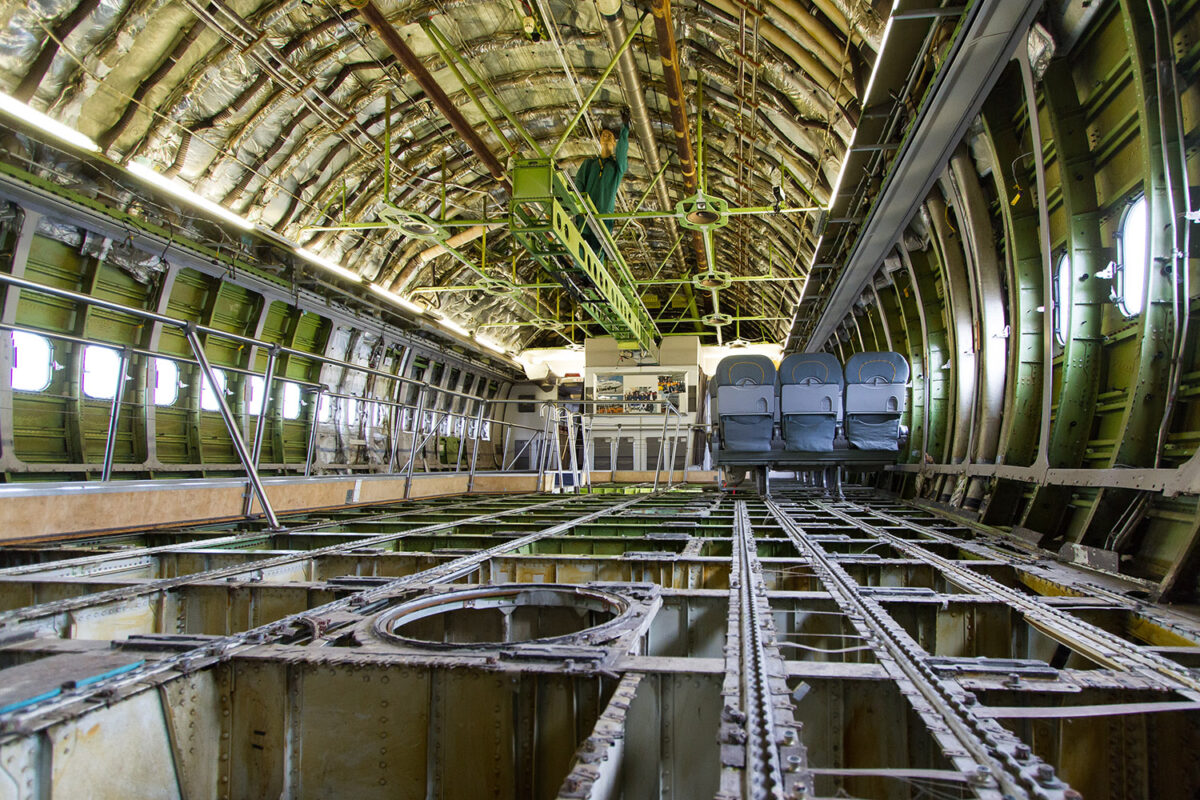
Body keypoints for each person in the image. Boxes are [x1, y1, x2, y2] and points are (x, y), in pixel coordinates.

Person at [574, 108, 631, 259]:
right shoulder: (589, 164)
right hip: (585, 214)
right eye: (604, 135)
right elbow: (578, 185)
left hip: (604, 218)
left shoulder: (616, 167)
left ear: (614, 142)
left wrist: (625, 129)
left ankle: (595, 277)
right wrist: (576, 208)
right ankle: (579, 275)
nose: (606, 136)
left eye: (610, 136)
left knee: (598, 249)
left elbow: (622, 153)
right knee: (581, 245)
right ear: (599, 140)